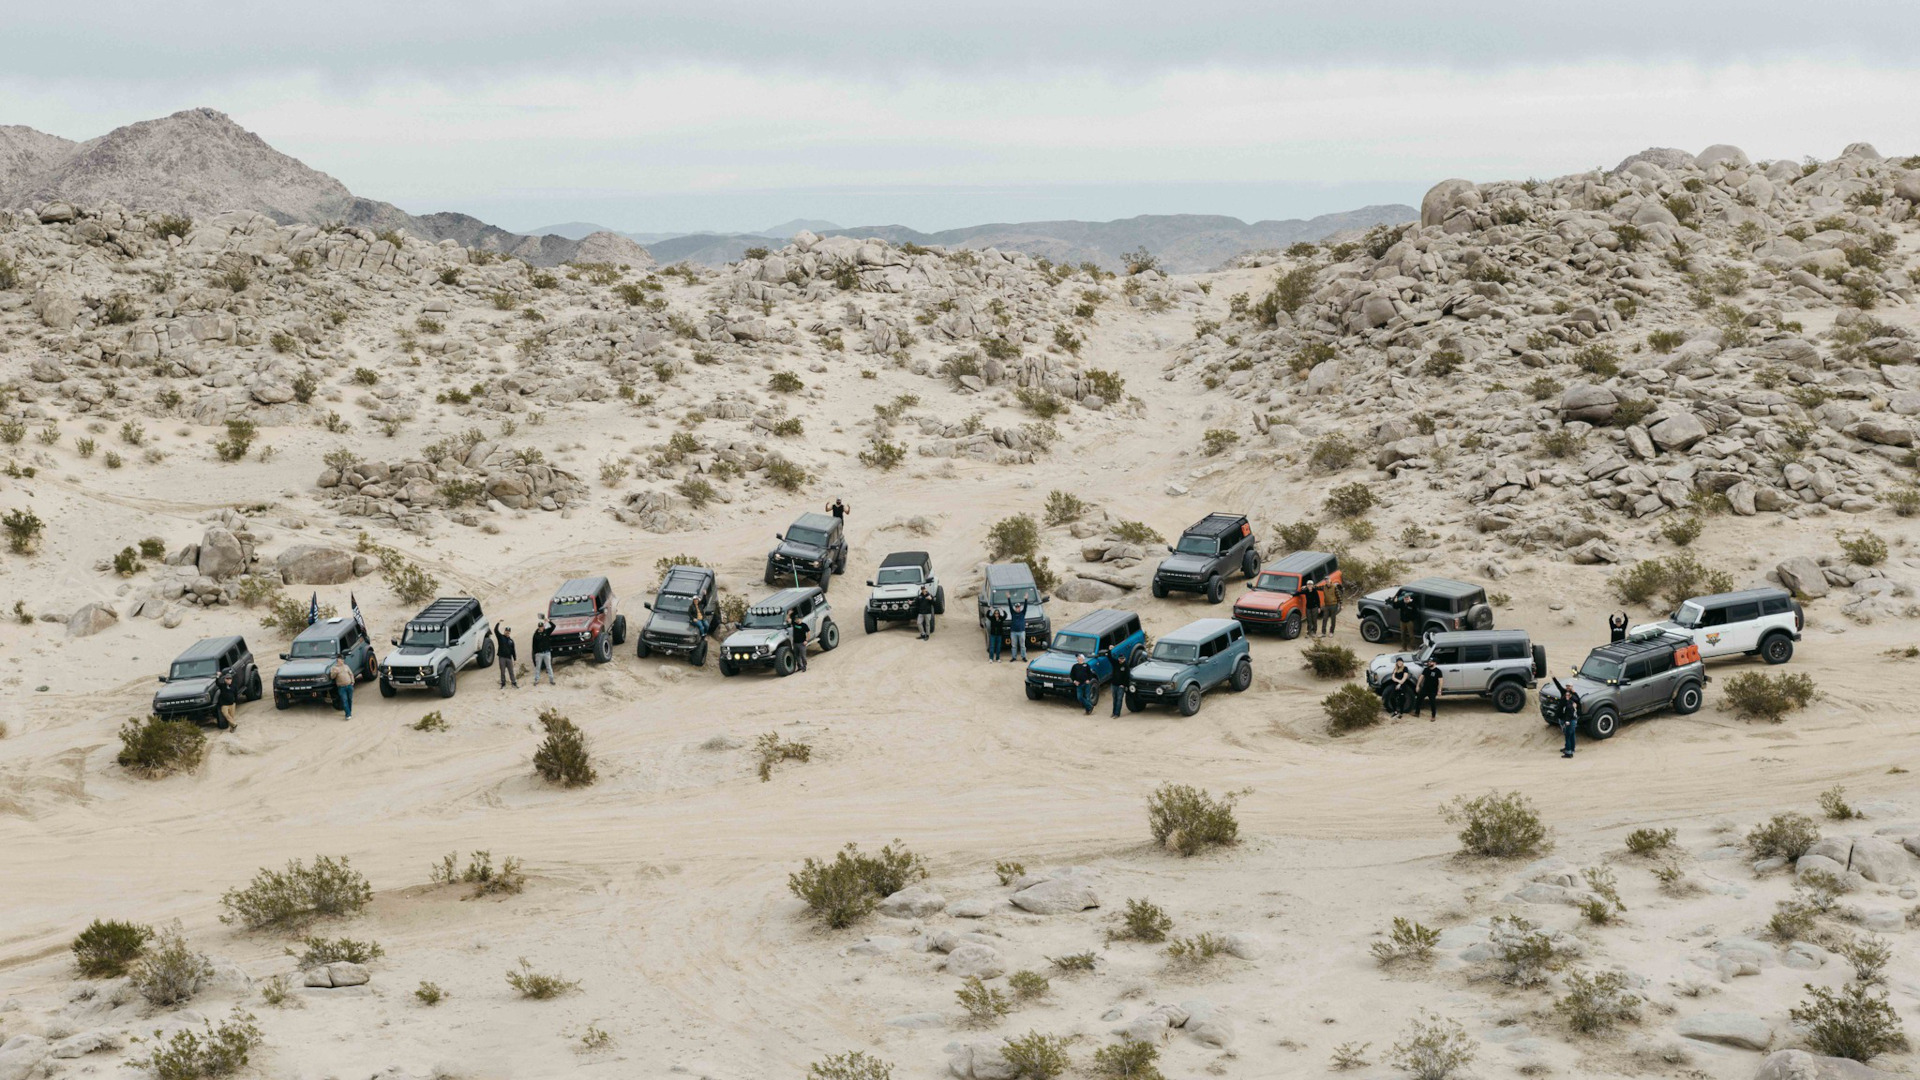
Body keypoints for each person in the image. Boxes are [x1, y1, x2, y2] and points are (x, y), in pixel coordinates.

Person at [1558, 682, 1580, 759]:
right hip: (1573, 720)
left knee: (1568, 736)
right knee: (1572, 735)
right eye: (1566, 695)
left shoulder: (1570, 703)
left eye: (1568, 695)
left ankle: (1568, 752)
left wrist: (1567, 721)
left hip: (1570, 721)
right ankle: (1572, 749)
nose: (1566, 696)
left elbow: (1569, 713)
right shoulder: (1572, 702)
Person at [530, 617, 556, 686]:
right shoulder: (535, 635)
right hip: (539, 654)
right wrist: (535, 653)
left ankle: (551, 680)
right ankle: (536, 680)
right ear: (538, 627)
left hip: (547, 653)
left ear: (543, 627)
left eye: (542, 627)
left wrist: (548, 621)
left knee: (549, 667)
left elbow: (553, 626)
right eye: (540, 627)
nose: (541, 628)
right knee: (538, 667)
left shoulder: (547, 632)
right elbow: (534, 645)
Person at [328, 655, 354, 720]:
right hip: (341, 687)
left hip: (349, 685)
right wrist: (335, 672)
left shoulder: (346, 666)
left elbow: (351, 674)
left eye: (343, 659)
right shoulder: (334, 668)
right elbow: (332, 677)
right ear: (338, 660)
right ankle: (348, 714)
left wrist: (352, 682)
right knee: (344, 700)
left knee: (350, 699)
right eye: (341, 659)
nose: (342, 660)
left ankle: (349, 712)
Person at [1109, 646, 1131, 717]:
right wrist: (1110, 650)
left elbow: (1127, 677)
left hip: (1121, 686)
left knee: (1119, 699)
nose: (1121, 660)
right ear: (1118, 659)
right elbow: (1109, 658)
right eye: (1120, 658)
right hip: (1114, 684)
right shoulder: (1115, 663)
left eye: (1123, 658)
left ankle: (1117, 714)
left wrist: (1123, 684)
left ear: (1125, 659)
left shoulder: (1126, 666)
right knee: (1114, 699)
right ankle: (1113, 712)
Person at [1008, 597, 1029, 661]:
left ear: (1020, 607)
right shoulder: (1013, 613)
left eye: (1018, 607)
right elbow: (1010, 606)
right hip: (1013, 632)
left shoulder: (1023, 613)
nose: (1017, 608)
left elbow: (1025, 607)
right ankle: (1014, 657)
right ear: (1015, 608)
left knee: (1022, 645)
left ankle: (1023, 657)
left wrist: (1026, 599)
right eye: (1016, 607)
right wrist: (1009, 598)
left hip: (1021, 631)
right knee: (1014, 645)